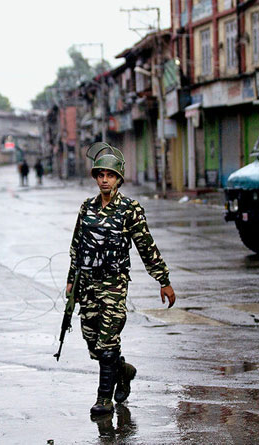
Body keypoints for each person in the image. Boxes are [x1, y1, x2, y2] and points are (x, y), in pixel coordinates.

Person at [65, 142, 176, 416]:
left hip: (114, 284)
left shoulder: (130, 209)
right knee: (91, 340)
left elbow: (145, 246)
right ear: (95, 177)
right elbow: (77, 245)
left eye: (110, 175)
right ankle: (123, 370)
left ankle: (104, 399)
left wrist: (163, 280)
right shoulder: (87, 207)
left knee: (107, 341)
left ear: (118, 178)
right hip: (87, 283)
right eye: (100, 175)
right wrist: (71, 281)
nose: (104, 180)